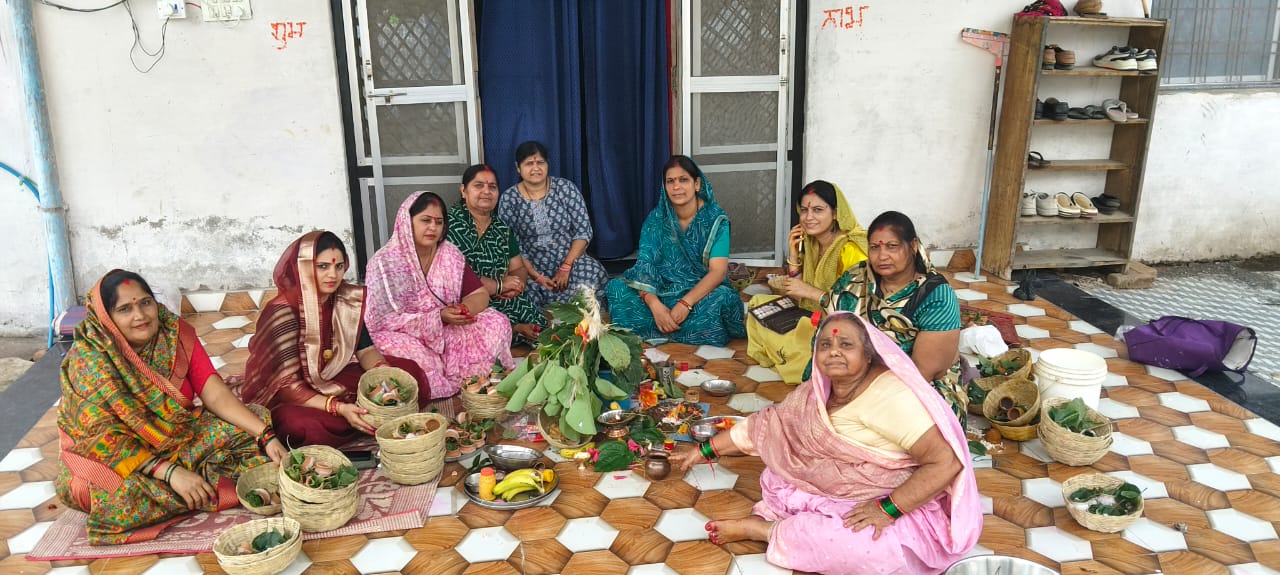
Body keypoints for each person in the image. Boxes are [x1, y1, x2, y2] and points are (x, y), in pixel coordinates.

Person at [671, 312, 982, 574]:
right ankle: (793, 521)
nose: (834, 352)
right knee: (780, 468)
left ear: (868, 354)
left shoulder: (892, 397)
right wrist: (702, 450)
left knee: (863, 545)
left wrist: (887, 509)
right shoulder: (819, 389)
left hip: (889, 497)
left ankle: (763, 530)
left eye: (846, 345)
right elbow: (768, 426)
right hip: (830, 485)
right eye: (825, 344)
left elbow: (947, 462)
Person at [56, 270, 287, 545]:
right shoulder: (90, 360)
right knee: (108, 495)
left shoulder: (174, 333)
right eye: (125, 309)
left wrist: (265, 434)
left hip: (176, 438)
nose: (140, 315)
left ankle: (192, 489)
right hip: (118, 459)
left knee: (256, 421)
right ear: (107, 318)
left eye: (145, 302)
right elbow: (101, 439)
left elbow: (214, 393)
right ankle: (200, 486)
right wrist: (171, 473)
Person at [240, 231, 422, 447]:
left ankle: (365, 417)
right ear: (305, 267)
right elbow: (288, 387)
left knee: (408, 372)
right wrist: (339, 408)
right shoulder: (282, 312)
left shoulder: (345, 298)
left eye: (338, 266)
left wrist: (384, 377)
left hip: (328, 377)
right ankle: (365, 417)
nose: (333, 275)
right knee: (297, 425)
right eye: (323, 266)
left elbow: (365, 351)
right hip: (291, 393)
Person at [365, 191, 515, 403]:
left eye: (439, 222)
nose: (433, 228)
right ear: (407, 222)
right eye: (425, 220)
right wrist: (435, 318)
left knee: (497, 322)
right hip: (404, 333)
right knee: (416, 358)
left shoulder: (449, 254)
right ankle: (448, 376)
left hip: (447, 329)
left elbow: (479, 294)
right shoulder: (383, 262)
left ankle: (468, 375)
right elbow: (378, 321)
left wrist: (463, 309)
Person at [820, 211, 966, 420]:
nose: (882, 256)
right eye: (875, 247)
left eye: (892, 246)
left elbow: (922, 374)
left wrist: (861, 396)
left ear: (913, 246)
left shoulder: (935, 295)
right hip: (849, 380)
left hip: (914, 392)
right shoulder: (856, 278)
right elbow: (829, 331)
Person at [605, 155, 747, 346]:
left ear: (697, 184)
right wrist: (656, 307)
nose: (676, 187)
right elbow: (645, 268)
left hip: (699, 293)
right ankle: (668, 323)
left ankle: (663, 326)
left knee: (723, 298)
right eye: (670, 181)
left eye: (683, 180)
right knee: (617, 289)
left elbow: (718, 272)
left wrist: (686, 303)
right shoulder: (656, 220)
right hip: (662, 290)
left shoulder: (715, 220)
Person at [747, 180, 868, 383]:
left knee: (810, 348)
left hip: (840, 329)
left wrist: (811, 292)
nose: (808, 218)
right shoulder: (811, 242)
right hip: (811, 317)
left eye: (818, 210)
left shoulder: (851, 250)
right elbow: (797, 295)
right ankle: (789, 353)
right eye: (804, 210)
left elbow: (856, 309)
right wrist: (793, 256)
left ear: (837, 213)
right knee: (757, 303)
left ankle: (797, 361)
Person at [497, 141, 609, 307]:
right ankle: (542, 330)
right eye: (529, 163)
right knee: (520, 292)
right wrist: (536, 276)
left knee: (593, 274)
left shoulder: (565, 188)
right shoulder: (509, 199)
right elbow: (512, 244)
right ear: (518, 168)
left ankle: (587, 329)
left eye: (540, 162)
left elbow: (583, 231)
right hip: (530, 267)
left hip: (571, 260)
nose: (536, 168)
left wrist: (566, 267)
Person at [446, 164, 547, 342]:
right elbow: (453, 275)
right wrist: (498, 285)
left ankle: (517, 329)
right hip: (466, 299)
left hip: (503, 298)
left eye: (492, 187)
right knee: (477, 327)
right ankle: (514, 330)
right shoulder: (449, 226)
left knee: (541, 330)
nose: (486, 191)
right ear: (463, 190)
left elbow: (517, 267)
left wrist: (516, 285)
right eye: (479, 185)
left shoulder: (501, 229)